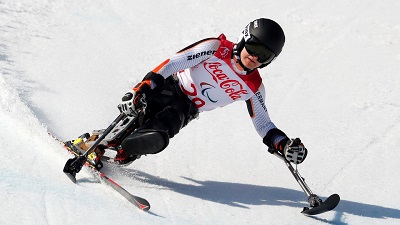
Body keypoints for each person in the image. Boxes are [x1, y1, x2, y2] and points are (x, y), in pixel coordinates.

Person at [114, 18, 307, 165]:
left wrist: (284, 144)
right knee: (142, 111)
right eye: (253, 46)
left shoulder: (253, 86)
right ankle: (108, 139)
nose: (255, 56)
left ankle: (127, 150)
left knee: (162, 131)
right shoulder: (216, 48)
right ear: (244, 38)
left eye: (264, 55)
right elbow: (174, 63)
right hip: (170, 86)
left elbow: (264, 125)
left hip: (186, 109)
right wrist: (142, 88)